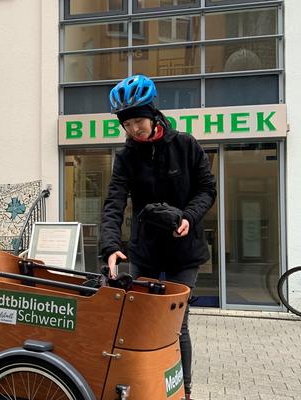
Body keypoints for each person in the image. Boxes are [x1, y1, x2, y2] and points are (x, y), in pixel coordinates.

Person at [100, 74, 216, 400]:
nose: (134, 128)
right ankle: (144, 385)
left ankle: (184, 392)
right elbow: (114, 202)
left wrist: (188, 217)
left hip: (184, 250)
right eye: (127, 123)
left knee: (177, 324)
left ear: (152, 114)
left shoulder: (185, 145)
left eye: (139, 120)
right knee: (140, 320)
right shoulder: (126, 157)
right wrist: (110, 246)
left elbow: (207, 190)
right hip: (146, 250)